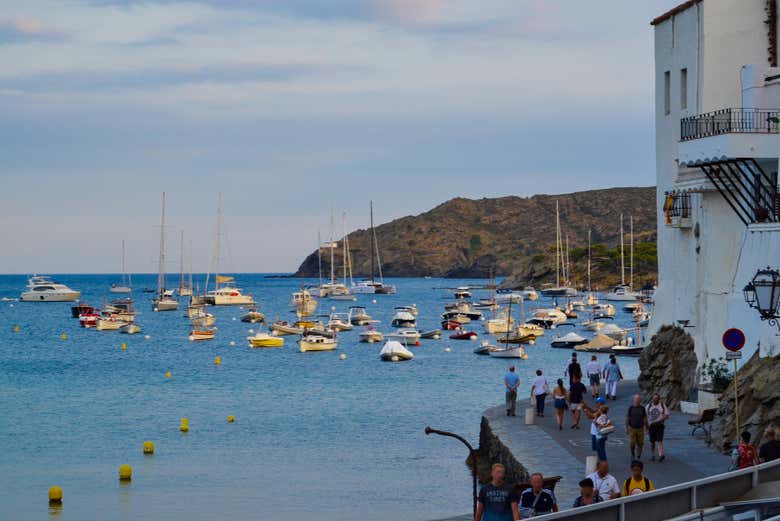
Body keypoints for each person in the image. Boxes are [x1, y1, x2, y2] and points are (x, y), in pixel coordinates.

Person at [646, 393, 669, 462]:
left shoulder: (662, 405)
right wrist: (646, 427)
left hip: (660, 425)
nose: (655, 400)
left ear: (659, 399)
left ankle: (661, 454)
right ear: (652, 399)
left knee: (659, 440)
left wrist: (660, 420)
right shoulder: (649, 406)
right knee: (652, 441)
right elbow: (645, 417)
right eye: (654, 398)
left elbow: (666, 415)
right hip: (651, 426)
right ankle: (653, 455)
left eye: (656, 398)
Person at [626, 394, 648, 460]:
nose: (637, 400)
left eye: (638, 399)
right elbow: (627, 418)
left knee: (640, 443)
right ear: (634, 400)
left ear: (640, 400)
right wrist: (627, 428)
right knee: (632, 443)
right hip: (632, 428)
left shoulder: (642, 408)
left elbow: (644, 418)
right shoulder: (631, 408)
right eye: (636, 399)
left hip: (640, 428)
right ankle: (632, 453)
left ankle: (638, 456)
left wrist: (646, 427)